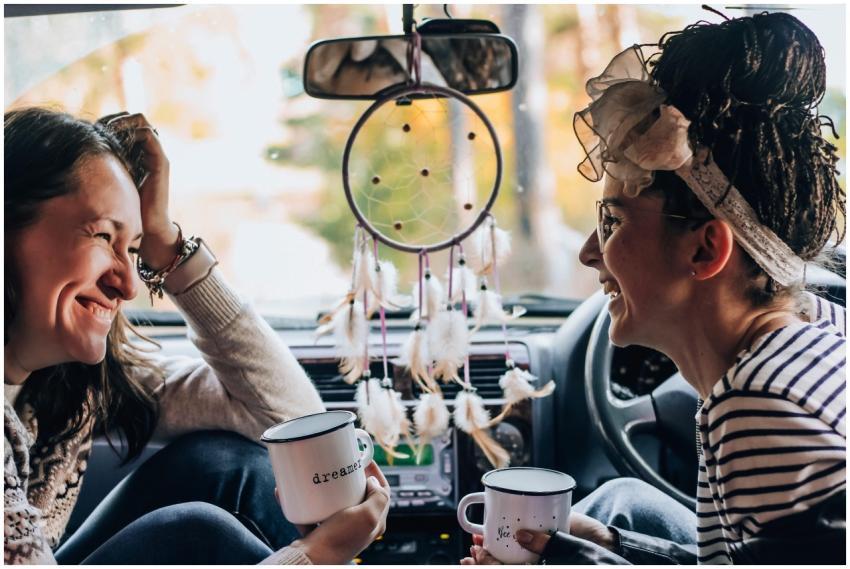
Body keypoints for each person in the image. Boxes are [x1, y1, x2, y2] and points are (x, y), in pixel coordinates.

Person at [462, 10, 845, 566]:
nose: (588, 253)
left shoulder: (759, 409)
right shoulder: (811, 327)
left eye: (613, 223)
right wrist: (614, 548)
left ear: (706, 250)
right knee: (620, 508)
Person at [4, 108, 390, 564]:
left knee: (227, 467)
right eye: (103, 236)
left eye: (133, 250)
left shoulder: (70, 380)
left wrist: (168, 248)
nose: (127, 285)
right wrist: (315, 555)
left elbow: (290, 421)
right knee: (201, 531)